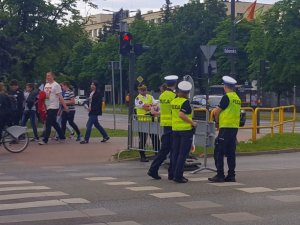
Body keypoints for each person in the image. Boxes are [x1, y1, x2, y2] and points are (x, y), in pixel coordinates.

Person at [208, 76, 241, 183]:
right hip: (234, 128)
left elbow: (216, 112)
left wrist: (217, 122)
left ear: (225, 86)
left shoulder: (227, 97)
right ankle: (231, 175)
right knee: (231, 152)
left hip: (225, 127)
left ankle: (220, 174)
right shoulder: (237, 98)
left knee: (218, 151)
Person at [147, 75, 178, 179]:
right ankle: (171, 173)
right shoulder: (174, 96)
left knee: (164, 150)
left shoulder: (162, 96)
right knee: (174, 150)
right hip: (173, 125)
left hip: (164, 125)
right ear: (175, 84)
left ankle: (153, 169)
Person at [170, 81, 197, 183]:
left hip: (175, 130)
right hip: (185, 131)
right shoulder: (185, 102)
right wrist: (192, 123)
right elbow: (181, 115)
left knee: (175, 153)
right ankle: (178, 176)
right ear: (187, 92)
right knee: (183, 154)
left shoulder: (174, 101)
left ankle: (172, 174)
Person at [38, 72, 68, 145]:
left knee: (48, 122)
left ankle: (45, 140)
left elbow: (60, 97)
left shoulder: (56, 85)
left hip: (54, 106)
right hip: (48, 106)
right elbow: (45, 96)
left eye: (49, 76)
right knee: (54, 123)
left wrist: (65, 106)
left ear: (53, 76)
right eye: (47, 76)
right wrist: (45, 106)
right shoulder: (46, 85)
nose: (47, 77)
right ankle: (62, 137)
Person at [135, 84, 160, 162]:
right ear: (139, 90)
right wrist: (151, 106)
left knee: (155, 139)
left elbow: (156, 105)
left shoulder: (150, 96)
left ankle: (157, 154)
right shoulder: (137, 98)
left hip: (152, 120)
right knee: (143, 139)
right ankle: (142, 156)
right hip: (142, 121)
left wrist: (151, 106)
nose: (143, 91)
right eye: (141, 90)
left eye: (144, 89)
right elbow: (145, 107)